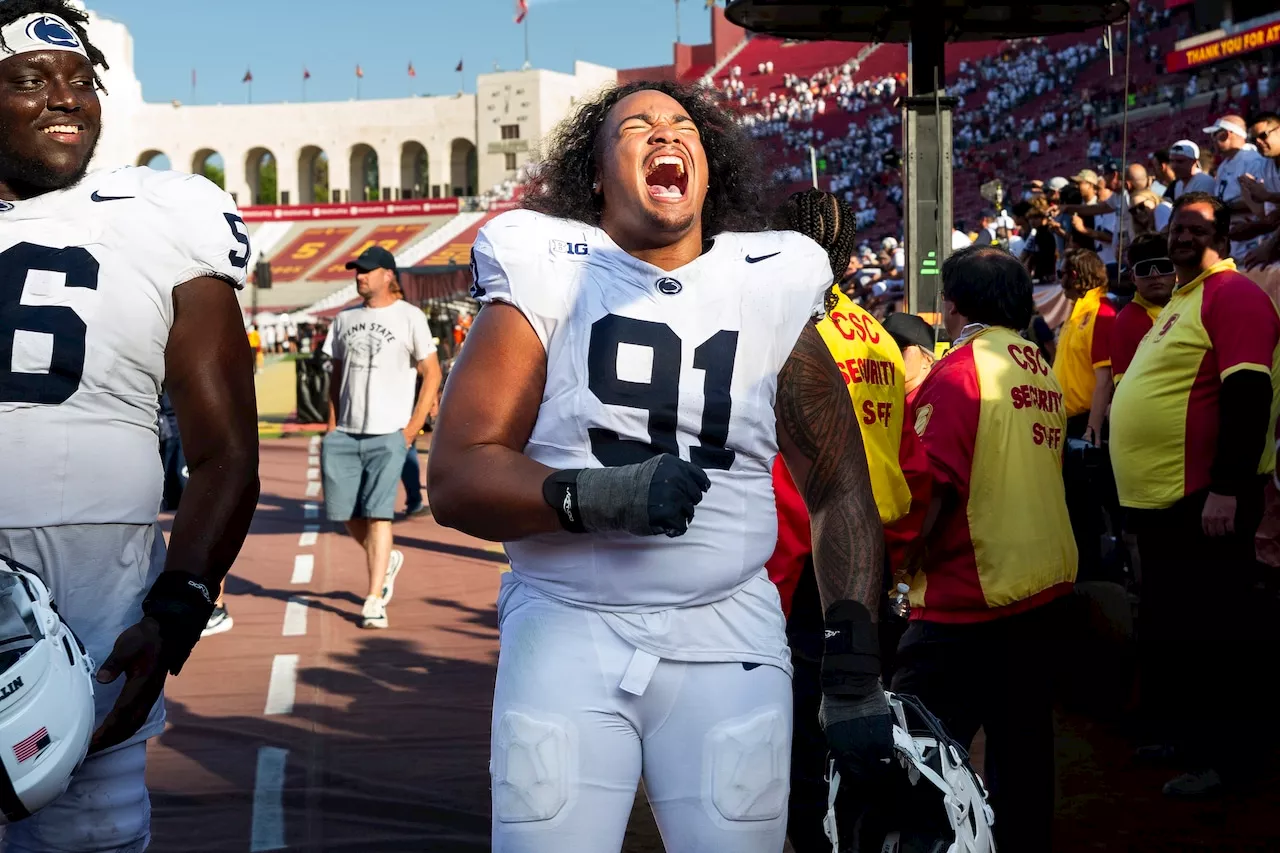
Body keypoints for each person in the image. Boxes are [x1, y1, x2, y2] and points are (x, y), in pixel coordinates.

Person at [427, 80, 888, 852]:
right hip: (568, 624)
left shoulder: (768, 281)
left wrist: (854, 661)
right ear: (598, 175)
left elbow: (839, 482)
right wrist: (598, 495)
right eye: (634, 125)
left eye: (683, 127)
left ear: (708, 170)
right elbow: (457, 476)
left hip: (727, 632)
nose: (663, 132)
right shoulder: (547, 269)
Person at [0, 3, 260, 849]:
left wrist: (180, 606)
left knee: (93, 830)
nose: (65, 98)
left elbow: (225, 451)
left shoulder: (162, 211)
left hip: (96, 593)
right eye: (33, 80)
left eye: (81, 80)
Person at [762, 190, 931, 852]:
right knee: (861, 706)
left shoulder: (786, 332)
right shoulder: (880, 337)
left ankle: (814, 834)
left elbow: (785, 478)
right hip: (874, 554)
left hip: (804, 559)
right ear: (851, 254)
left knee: (801, 717)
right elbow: (907, 460)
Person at [896, 246, 1078, 852]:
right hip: (1039, 585)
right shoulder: (1036, 364)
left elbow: (931, 491)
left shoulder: (962, 370)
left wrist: (897, 568)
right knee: (1023, 748)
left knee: (924, 754)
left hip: (970, 594)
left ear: (950, 302)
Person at [1110, 192, 1280, 798]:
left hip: (1205, 499)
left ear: (1225, 234)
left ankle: (1228, 761)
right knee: (1179, 628)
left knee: (1217, 633)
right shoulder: (1183, 302)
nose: (1179, 237)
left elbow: (1248, 395)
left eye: (1194, 228)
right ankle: (1190, 739)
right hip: (1167, 504)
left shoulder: (1232, 295)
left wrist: (1229, 488)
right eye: (1175, 227)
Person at [321, 245, 441, 629]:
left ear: (388, 275)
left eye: (368, 271)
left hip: (388, 433)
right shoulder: (344, 319)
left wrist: (412, 428)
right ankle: (385, 559)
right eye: (357, 271)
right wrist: (331, 424)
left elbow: (432, 372)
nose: (360, 276)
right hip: (345, 433)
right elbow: (336, 375)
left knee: (377, 515)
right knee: (343, 513)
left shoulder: (410, 317)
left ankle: (373, 598)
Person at [1202, 115, 1269, 260]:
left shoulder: (1253, 160)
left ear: (1230, 133)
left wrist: (1226, 208)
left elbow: (1263, 201)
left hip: (1252, 235)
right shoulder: (1223, 166)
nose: (1213, 139)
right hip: (1231, 236)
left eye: (1217, 134)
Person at [1112, 233, 1175, 383]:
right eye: (1144, 269)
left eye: (1163, 266)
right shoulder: (1127, 322)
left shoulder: (1192, 306)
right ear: (1133, 277)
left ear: (1176, 270)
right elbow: (1124, 384)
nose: (1155, 275)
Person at [882, 311, 936, 405]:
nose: (889, 354)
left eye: (900, 348)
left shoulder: (935, 403)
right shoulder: (880, 401)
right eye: (881, 348)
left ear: (927, 359)